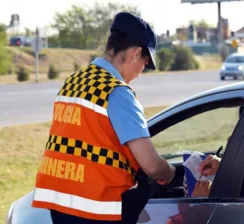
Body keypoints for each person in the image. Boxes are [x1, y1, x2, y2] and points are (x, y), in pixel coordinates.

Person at [31, 12, 176, 224]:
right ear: (136, 53)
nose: (140, 72)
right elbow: (152, 166)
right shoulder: (117, 93)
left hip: (61, 206)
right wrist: (170, 172)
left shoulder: (73, 82)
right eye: (145, 63)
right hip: (98, 210)